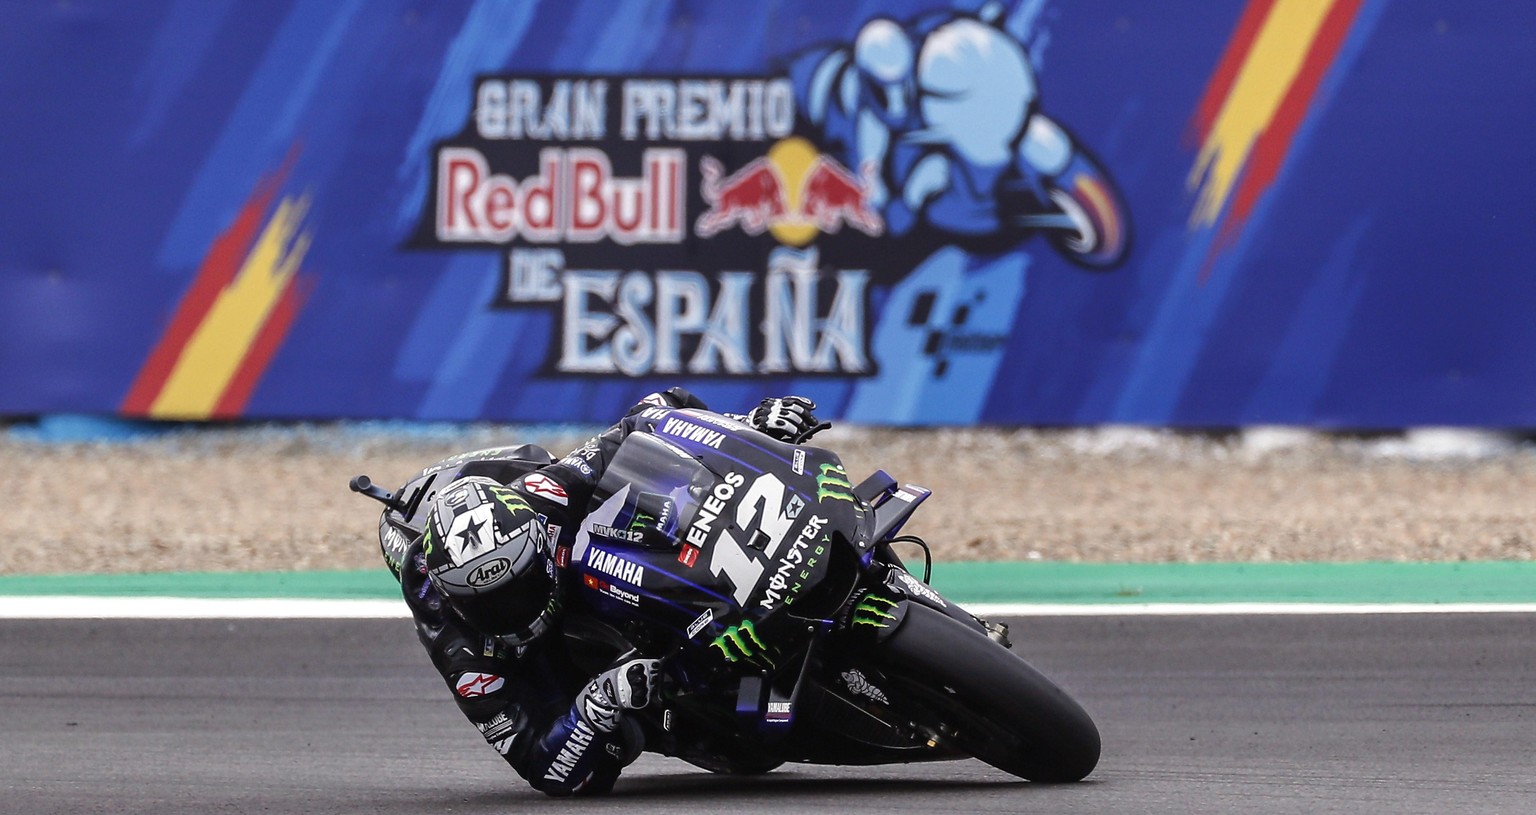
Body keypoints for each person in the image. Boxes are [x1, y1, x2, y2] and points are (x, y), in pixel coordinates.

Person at [388, 388, 821, 796]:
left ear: (537, 540)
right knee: (722, 750)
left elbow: (655, 412)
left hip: (583, 555)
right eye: (490, 606)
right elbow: (545, 770)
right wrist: (597, 706)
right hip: (554, 669)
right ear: (457, 601)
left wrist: (748, 425)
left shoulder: (546, 497)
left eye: (519, 589)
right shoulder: (463, 654)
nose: (514, 612)